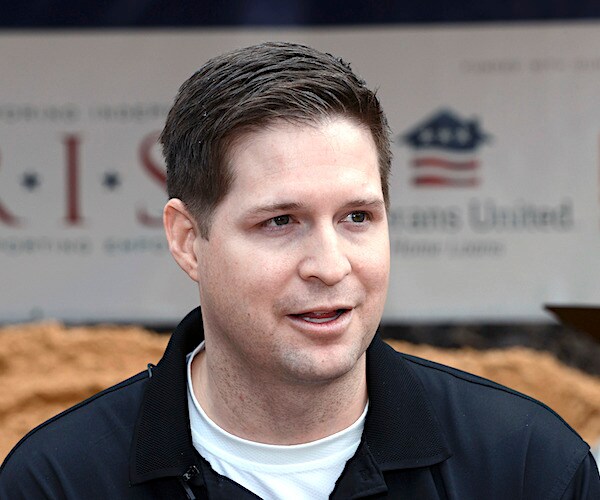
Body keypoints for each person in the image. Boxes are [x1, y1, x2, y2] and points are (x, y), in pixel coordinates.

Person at [0, 41, 598, 499]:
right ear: (188, 241)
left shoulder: (528, 466)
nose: (331, 266)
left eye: (357, 217)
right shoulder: (56, 480)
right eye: (281, 222)